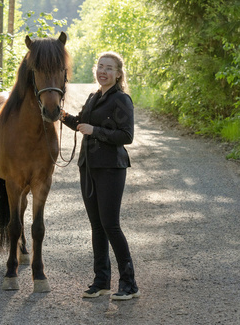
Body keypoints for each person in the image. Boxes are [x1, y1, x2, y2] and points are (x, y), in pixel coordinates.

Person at [61, 51, 140, 301]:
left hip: (110, 168)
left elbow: (126, 136)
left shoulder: (121, 100)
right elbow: (80, 123)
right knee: (97, 226)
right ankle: (101, 281)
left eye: (109, 68)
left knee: (110, 225)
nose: (103, 71)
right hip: (88, 166)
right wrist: (59, 114)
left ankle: (129, 284)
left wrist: (95, 130)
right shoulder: (94, 96)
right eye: (100, 66)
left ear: (118, 74)